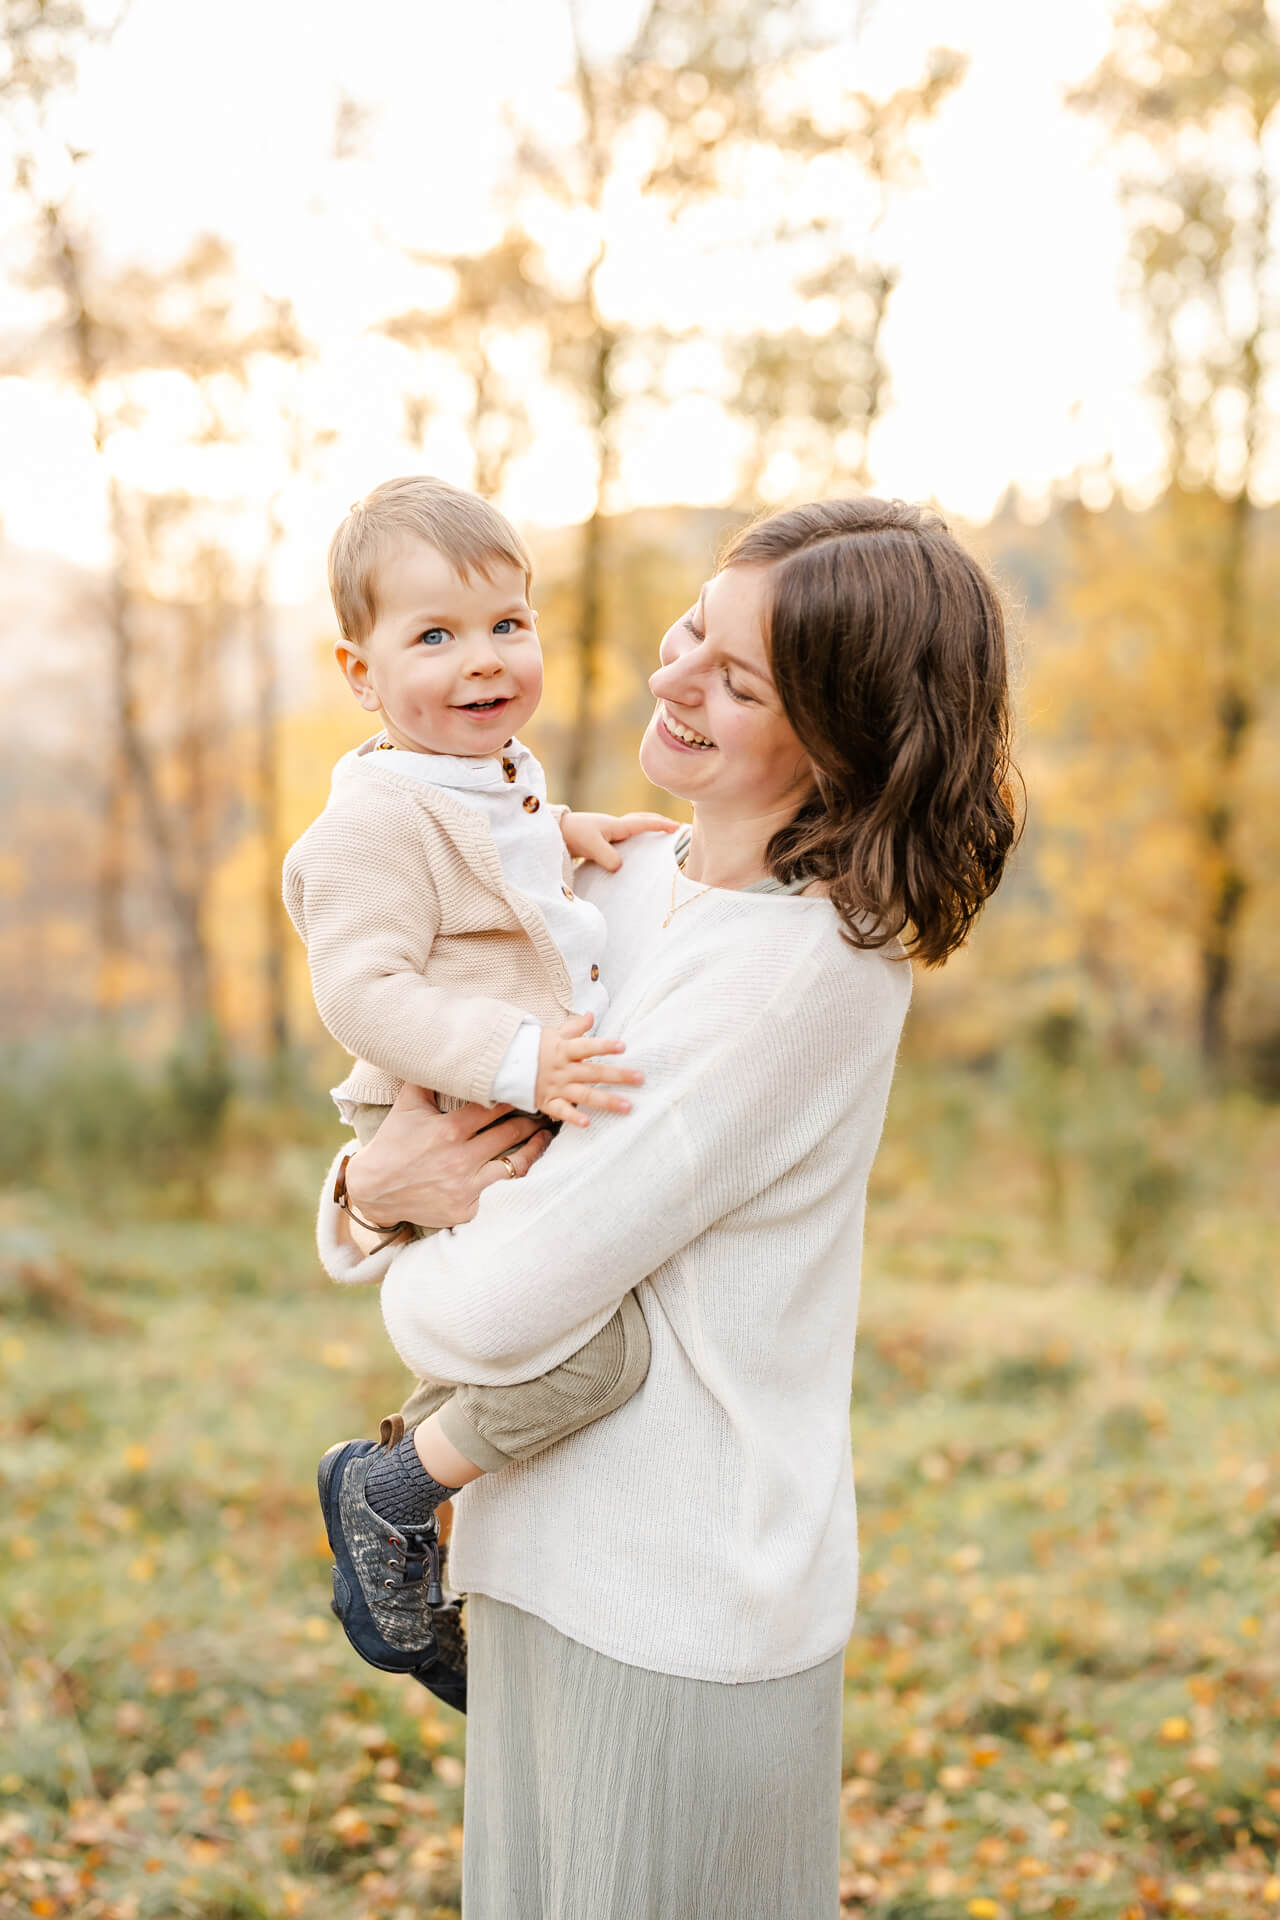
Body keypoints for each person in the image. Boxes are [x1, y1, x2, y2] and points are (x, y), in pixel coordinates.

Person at [318, 497, 1019, 1917]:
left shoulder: (797, 971)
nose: (672, 678)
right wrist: (371, 1185)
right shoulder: (620, 878)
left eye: (738, 678)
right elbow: (424, 1093)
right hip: (529, 1556)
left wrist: (405, 1238)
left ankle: (391, 1488)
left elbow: (504, 1297)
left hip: (675, 1603)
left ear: (846, 735)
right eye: (691, 629)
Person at [284, 475, 675, 1690]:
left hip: (497, 1101)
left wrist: (567, 833)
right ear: (359, 673)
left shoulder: (486, 775)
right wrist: (521, 1061)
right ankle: (392, 1494)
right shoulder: (364, 825)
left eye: (507, 624)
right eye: (435, 637)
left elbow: (483, 860)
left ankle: (404, 1548)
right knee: (592, 1356)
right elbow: (363, 991)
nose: (482, 661)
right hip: (451, 1108)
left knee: (495, 1351)